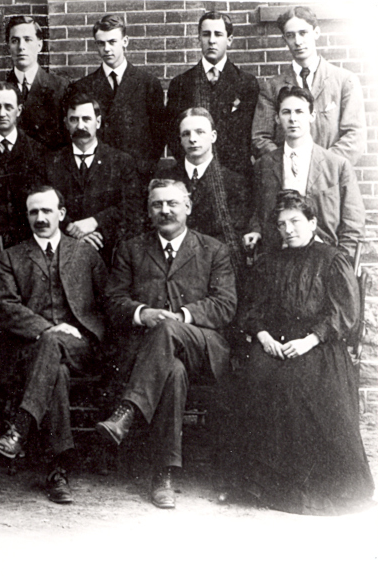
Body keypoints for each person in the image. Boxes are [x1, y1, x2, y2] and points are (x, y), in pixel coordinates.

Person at [226, 190, 373, 514]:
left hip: (319, 345)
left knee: (299, 383)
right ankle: (259, 485)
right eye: (281, 224)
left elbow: (343, 313)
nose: (288, 229)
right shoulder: (269, 262)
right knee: (255, 376)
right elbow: (251, 308)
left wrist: (310, 340)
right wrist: (263, 337)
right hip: (274, 341)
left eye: (295, 221)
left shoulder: (332, 259)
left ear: (312, 222)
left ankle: (307, 487)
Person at [96, 179, 236, 509]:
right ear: (148, 211)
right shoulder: (131, 249)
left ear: (188, 207)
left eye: (173, 203)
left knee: (169, 330)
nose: (165, 210)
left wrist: (183, 316)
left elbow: (225, 305)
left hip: (202, 346)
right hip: (150, 353)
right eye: (157, 204)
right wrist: (141, 313)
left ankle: (127, 412)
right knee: (172, 372)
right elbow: (112, 300)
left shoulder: (214, 250)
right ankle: (165, 475)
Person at [0, 186, 106, 504]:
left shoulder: (86, 254)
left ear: (62, 214)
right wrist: (48, 329)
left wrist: (80, 332)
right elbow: (6, 308)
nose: (40, 218)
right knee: (58, 375)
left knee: (55, 349)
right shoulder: (10, 257)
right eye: (34, 212)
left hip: (80, 347)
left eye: (47, 211)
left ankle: (19, 430)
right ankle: (58, 470)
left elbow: (107, 303)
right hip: (29, 348)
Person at [244, 86, 365, 258]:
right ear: (277, 118)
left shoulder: (337, 165)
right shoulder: (264, 165)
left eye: (299, 112)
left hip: (323, 258)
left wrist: (341, 261)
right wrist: (256, 231)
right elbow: (257, 210)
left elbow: (353, 223)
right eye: (286, 112)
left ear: (312, 116)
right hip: (278, 257)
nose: (293, 119)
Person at [251, 5, 364, 163]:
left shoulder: (344, 81)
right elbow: (260, 138)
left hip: (329, 180)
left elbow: (354, 138)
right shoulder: (272, 87)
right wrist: (289, 163)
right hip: (287, 179)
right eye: (290, 35)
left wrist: (320, 165)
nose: (298, 41)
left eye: (303, 33)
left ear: (316, 33)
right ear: (284, 39)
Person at [45, 90, 143, 267]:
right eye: (74, 119)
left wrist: (95, 221)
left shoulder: (121, 161)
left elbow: (132, 205)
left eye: (86, 119)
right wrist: (71, 228)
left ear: (98, 122)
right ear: (66, 123)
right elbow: (43, 204)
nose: (80, 125)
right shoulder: (50, 162)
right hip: (63, 251)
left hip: (108, 250)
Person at [164, 10, 258, 180]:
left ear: (229, 40)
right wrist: (195, 165)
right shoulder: (181, 83)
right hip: (193, 174)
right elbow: (173, 135)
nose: (212, 40)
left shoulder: (246, 83)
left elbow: (249, 135)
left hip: (235, 177)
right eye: (206, 34)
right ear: (199, 38)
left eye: (218, 34)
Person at [158, 107, 249, 277]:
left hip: (214, 267)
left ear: (213, 136)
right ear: (180, 139)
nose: (193, 139)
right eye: (186, 134)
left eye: (200, 132)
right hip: (171, 265)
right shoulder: (166, 178)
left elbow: (233, 235)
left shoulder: (233, 182)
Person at [71, 14, 165, 177]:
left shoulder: (148, 83)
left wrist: (144, 169)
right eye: (101, 43)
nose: (107, 49)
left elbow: (159, 135)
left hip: (136, 175)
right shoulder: (82, 87)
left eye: (112, 42)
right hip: (98, 176)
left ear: (125, 41)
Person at [0, 82, 48, 260]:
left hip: (28, 243)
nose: (2, 114)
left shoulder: (38, 151)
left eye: (8, 107)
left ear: (19, 110)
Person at [2, 15, 69, 151]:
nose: (21, 47)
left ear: (39, 45)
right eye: (15, 40)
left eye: (28, 40)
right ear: (8, 47)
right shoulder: (1, 92)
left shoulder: (60, 87)